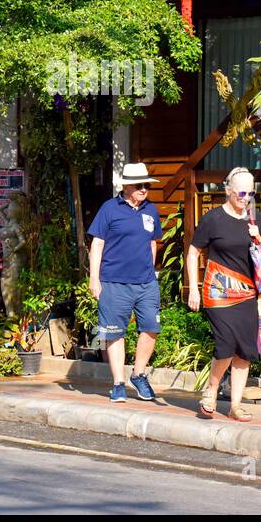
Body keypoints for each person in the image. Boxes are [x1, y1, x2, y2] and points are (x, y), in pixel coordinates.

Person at [186, 167, 261, 422]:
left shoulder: (258, 220)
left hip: (247, 293)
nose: (246, 198)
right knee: (225, 344)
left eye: (251, 193)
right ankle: (212, 388)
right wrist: (193, 287)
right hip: (218, 291)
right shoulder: (212, 219)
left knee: (244, 349)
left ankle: (235, 405)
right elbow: (193, 253)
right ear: (228, 191)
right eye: (241, 193)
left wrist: (259, 238)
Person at [86, 163, 163, 402]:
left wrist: (150, 271)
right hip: (114, 281)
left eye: (147, 185)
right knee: (114, 333)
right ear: (126, 186)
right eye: (140, 185)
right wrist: (94, 278)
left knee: (151, 327)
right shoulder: (109, 208)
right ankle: (118, 383)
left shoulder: (151, 210)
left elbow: (153, 243)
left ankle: (138, 375)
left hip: (146, 282)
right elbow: (97, 245)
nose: (144, 190)